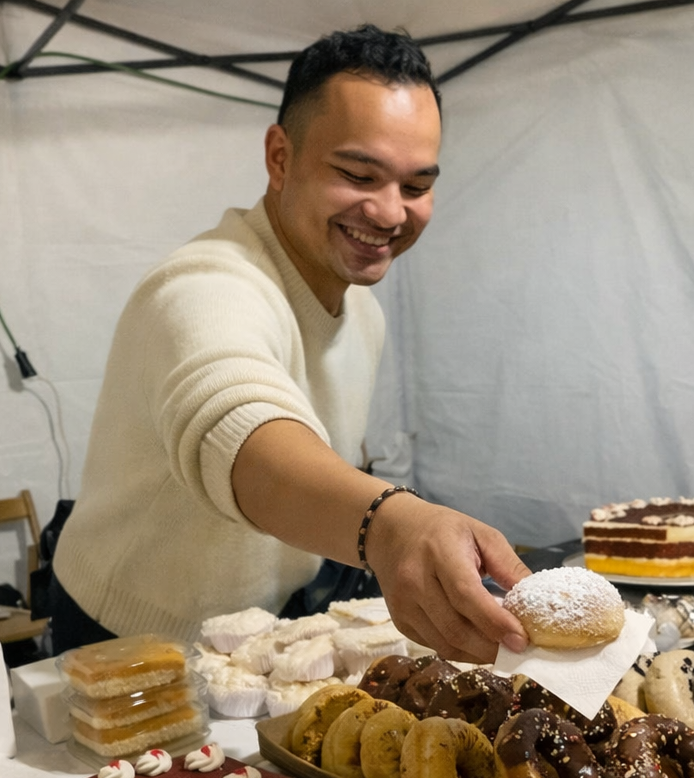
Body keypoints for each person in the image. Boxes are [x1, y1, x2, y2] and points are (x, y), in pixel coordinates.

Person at [51, 25, 530, 663]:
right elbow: (240, 427)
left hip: (261, 633)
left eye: (415, 187)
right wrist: (390, 525)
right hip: (131, 631)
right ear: (281, 157)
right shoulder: (203, 286)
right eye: (359, 174)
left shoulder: (363, 310)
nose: (390, 213)